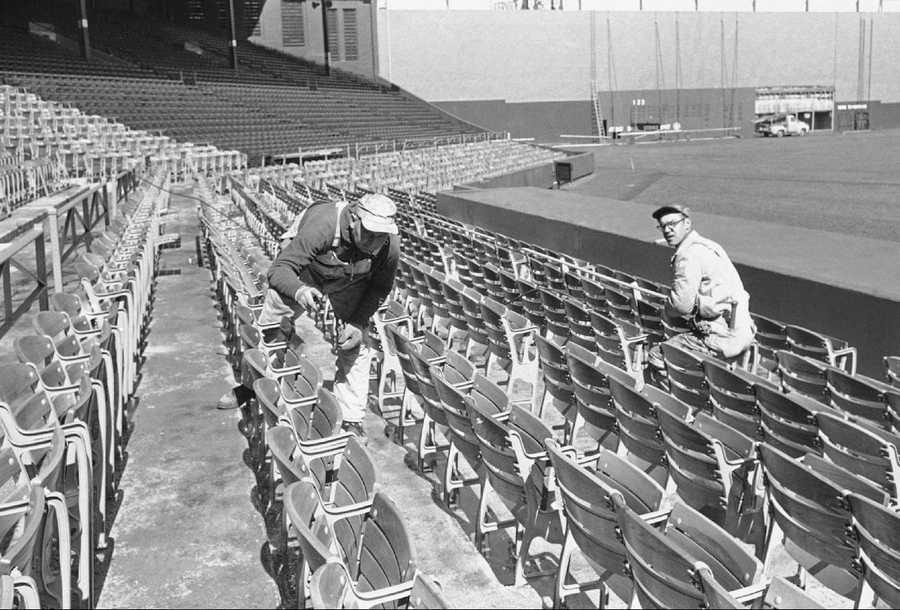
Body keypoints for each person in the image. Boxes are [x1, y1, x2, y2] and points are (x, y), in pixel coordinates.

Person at [256, 193, 400, 438]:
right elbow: (279, 269)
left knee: (358, 343)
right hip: (305, 270)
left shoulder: (389, 245)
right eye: (369, 233)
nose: (374, 241)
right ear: (354, 219)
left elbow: (379, 288)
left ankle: (352, 419)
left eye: (380, 236)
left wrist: (357, 321)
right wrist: (299, 290)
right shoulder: (323, 225)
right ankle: (255, 384)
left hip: (348, 277)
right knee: (274, 320)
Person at [652, 204, 755, 361]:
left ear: (687, 223)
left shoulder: (688, 255)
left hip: (722, 337)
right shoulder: (709, 245)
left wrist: (666, 309)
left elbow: (681, 305)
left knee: (656, 355)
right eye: (663, 226)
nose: (667, 230)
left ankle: (685, 386)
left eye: (672, 224)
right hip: (743, 330)